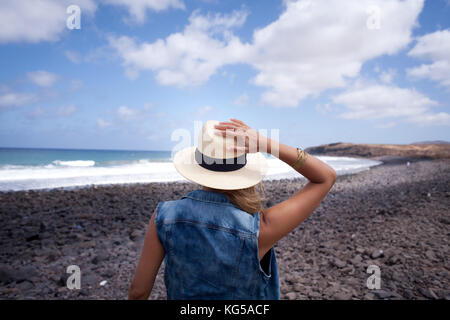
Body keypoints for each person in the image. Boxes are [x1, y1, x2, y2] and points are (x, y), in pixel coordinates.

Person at [128, 118, 337, 299]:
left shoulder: (164, 216)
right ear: (244, 168)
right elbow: (325, 177)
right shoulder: (261, 228)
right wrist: (266, 144)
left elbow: (139, 292)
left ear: (200, 165)